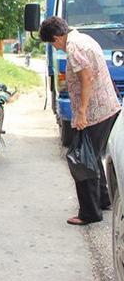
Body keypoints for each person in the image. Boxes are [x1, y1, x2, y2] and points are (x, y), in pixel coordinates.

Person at [39, 17, 120, 225]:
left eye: (53, 44)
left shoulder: (74, 47)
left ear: (57, 38)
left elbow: (87, 79)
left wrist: (82, 112)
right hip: (107, 108)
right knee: (91, 155)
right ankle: (103, 199)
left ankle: (90, 213)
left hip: (95, 112)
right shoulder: (84, 38)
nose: (56, 48)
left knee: (81, 161)